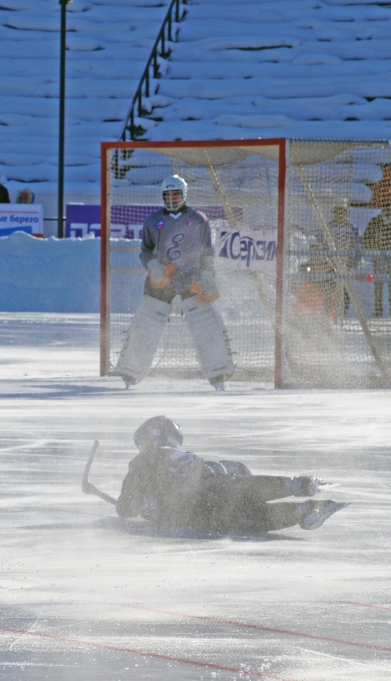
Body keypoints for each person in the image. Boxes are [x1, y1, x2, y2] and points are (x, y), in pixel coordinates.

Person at [115, 416, 347, 534]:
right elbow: (238, 469)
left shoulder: (143, 462)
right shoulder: (184, 456)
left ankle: (299, 512)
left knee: (243, 519)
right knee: (240, 503)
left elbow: (125, 507)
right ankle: (296, 489)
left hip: (194, 509)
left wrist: (146, 507)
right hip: (212, 487)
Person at [115, 175, 234, 389]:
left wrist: (207, 275)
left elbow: (207, 253)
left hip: (191, 282)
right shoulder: (153, 221)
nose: (171, 199)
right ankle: (130, 373)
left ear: (184, 195)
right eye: (167, 195)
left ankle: (219, 374)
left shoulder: (198, 220)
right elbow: (145, 252)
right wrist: (153, 267)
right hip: (163, 281)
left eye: (176, 194)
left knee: (206, 328)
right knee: (145, 327)